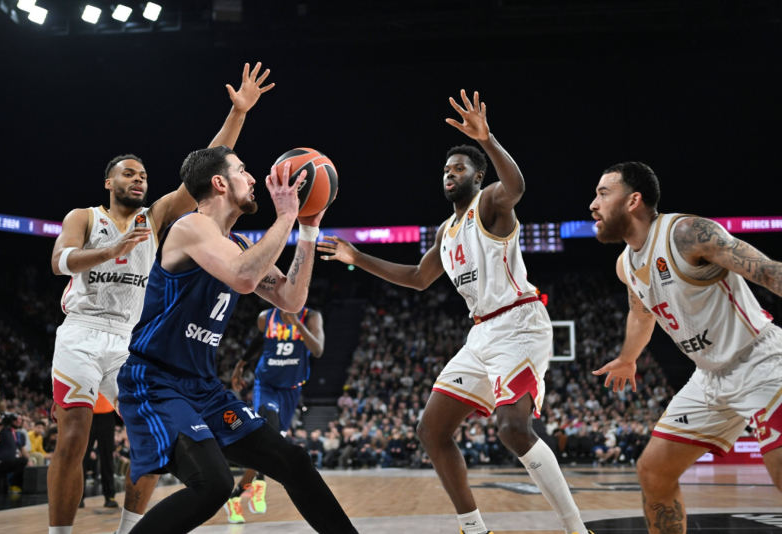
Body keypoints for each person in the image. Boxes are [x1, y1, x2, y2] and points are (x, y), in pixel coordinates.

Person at [318, 90, 590, 534]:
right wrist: (357, 257)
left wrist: (487, 140)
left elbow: (516, 187)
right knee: (431, 430)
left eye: (459, 168)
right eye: (446, 169)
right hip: (481, 333)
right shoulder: (445, 231)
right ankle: (474, 528)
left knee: (512, 429)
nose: (449, 174)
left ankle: (577, 529)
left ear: (478, 176)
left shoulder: (490, 204)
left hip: (519, 323)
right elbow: (417, 278)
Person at [47, 62, 274, 534]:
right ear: (108, 183)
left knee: (151, 443)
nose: (139, 179)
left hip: (130, 340)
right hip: (83, 332)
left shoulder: (155, 218)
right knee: (72, 438)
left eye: (144, 175)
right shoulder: (85, 217)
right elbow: (59, 261)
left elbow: (209, 167)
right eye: (128, 174)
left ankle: (130, 530)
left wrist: (238, 113)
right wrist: (109, 250)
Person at [116, 146, 357, 534]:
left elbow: (291, 300)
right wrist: (286, 216)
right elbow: (243, 278)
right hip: (155, 382)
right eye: (242, 171)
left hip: (203, 387)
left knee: (293, 461)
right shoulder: (190, 227)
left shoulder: (240, 244)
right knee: (212, 484)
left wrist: (308, 228)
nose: (252, 178)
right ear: (219, 183)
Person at [589, 161, 782, 534]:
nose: (593, 205)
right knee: (653, 471)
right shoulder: (625, 264)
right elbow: (641, 315)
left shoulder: (686, 233)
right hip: (708, 377)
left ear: (633, 201)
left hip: (759, 360)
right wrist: (628, 359)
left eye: (603, 193)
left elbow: (769, 272)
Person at [225, 304, 325, 521]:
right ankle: (259, 485)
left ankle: (235, 496)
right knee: (267, 433)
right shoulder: (266, 317)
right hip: (267, 386)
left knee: (270, 448)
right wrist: (240, 365)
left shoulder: (311, 317)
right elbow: (258, 341)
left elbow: (317, 350)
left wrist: (297, 324)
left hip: (291, 390)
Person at [79, 395, 118, 509]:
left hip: (107, 412)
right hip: (87, 411)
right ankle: (78, 496)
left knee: (107, 457)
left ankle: (110, 496)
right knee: (82, 457)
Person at [0, 413, 33, 493]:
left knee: (25, 461)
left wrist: (30, 460)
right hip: (0, 463)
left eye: (20, 419)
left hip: (12, 462)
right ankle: (14, 484)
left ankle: (18, 485)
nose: (18, 421)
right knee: (23, 461)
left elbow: (23, 450)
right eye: (16, 419)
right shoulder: (4, 431)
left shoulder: (21, 434)